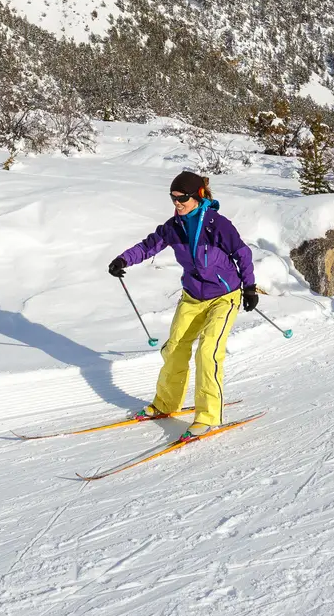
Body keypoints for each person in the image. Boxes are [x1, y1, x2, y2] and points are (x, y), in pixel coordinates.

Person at [109, 171, 257, 437]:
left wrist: (249, 288)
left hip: (224, 297)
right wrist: (123, 260)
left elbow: (242, 254)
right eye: (173, 198)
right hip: (192, 296)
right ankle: (166, 403)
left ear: (198, 195)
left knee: (208, 352)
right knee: (174, 348)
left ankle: (209, 415)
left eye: (183, 198)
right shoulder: (173, 227)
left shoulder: (217, 224)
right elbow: (148, 246)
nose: (177, 203)